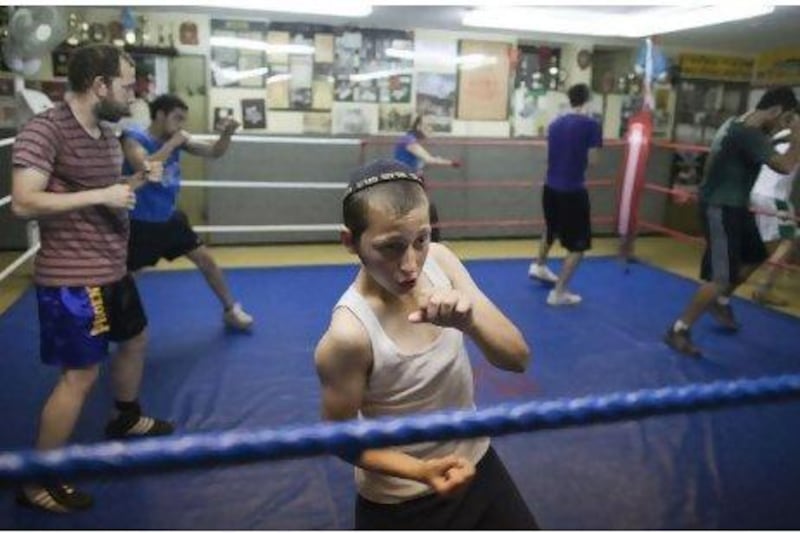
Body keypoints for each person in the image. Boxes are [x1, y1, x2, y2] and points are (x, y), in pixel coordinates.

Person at [314, 159, 539, 529]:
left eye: (421, 240)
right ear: (349, 242)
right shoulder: (349, 335)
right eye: (391, 247)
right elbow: (337, 437)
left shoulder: (441, 262)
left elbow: (518, 358)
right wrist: (420, 470)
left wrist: (470, 323)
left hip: (479, 466)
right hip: (402, 501)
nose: (410, 265)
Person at [10, 44, 173, 513]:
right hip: (72, 278)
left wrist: (142, 177)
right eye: (125, 84)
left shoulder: (105, 131)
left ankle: (125, 418)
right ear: (99, 85)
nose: (133, 92)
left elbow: (108, 196)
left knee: (136, 338)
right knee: (79, 377)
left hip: (112, 267)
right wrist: (103, 192)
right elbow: (23, 201)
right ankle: (36, 482)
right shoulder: (45, 131)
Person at [665, 86, 800, 356]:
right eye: (785, 119)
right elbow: (785, 166)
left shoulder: (743, 126)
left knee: (755, 254)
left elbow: (725, 155)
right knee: (719, 276)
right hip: (720, 208)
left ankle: (722, 299)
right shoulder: (749, 134)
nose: (784, 125)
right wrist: (797, 137)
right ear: (774, 111)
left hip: (736, 206)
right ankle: (679, 329)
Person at [120, 94, 253, 330]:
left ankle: (230, 310)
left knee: (206, 261)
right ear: (160, 114)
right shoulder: (133, 138)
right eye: (177, 118)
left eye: (184, 119)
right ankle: (115, 327)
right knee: (127, 278)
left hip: (169, 219)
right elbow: (146, 168)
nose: (181, 125)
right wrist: (171, 145)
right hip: (139, 223)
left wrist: (227, 134)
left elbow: (214, 152)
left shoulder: (178, 139)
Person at [528, 83, 602, 306]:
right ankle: (559, 292)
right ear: (588, 100)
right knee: (578, 246)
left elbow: (547, 156)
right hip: (572, 190)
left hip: (550, 187)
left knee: (551, 228)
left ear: (570, 100)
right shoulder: (591, 125)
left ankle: (539, 265)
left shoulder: (555, 124)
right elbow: (594, 161)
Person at [749, 127, 799, 307]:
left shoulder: (781, 133)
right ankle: (764, 289)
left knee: (767, 243)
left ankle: (731, 276)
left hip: (757, 192)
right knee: (789, 240)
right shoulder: (797, 137)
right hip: (775, 197)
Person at [393, 114, 461, 242]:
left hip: (414, 180)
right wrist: (450, 163)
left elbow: (425, 161)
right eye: (428, 125)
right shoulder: (408, 140)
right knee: (420, 210)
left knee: (425, 209)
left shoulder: (412, 140)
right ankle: (429, 241)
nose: (431, 129)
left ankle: (430, 240)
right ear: (418, 126)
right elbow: (428, 159)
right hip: (405, 182)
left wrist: (446, 162)